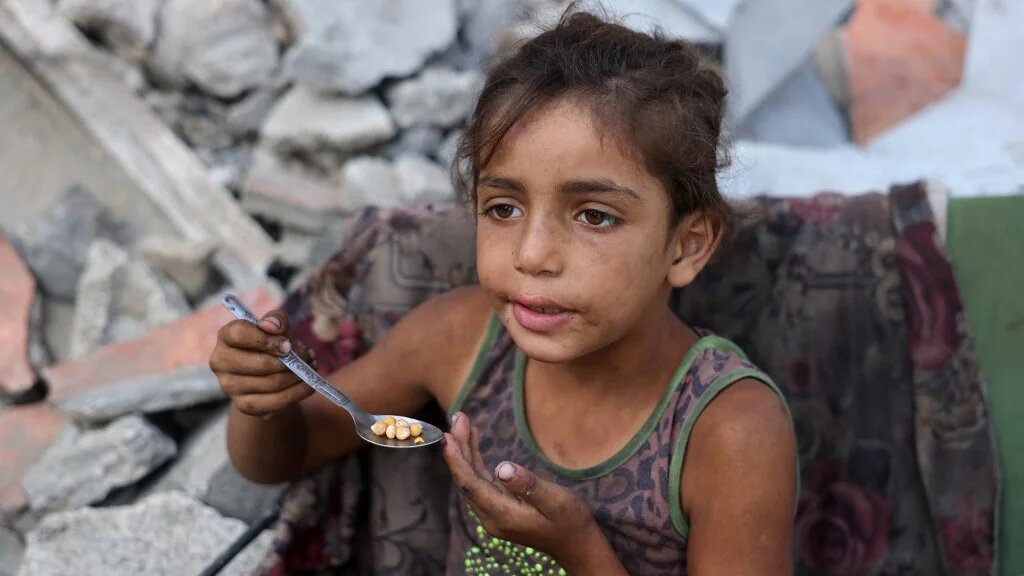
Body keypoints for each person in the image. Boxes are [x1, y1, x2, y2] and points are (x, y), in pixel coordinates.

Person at [209, 10, 797, 575]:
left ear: (686, 246)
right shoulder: (461, 339)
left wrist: (578, 551)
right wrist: (264, 400)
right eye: (504, 208)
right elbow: (281, 457)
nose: (531, 254)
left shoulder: (729, 431)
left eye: (594, 216)